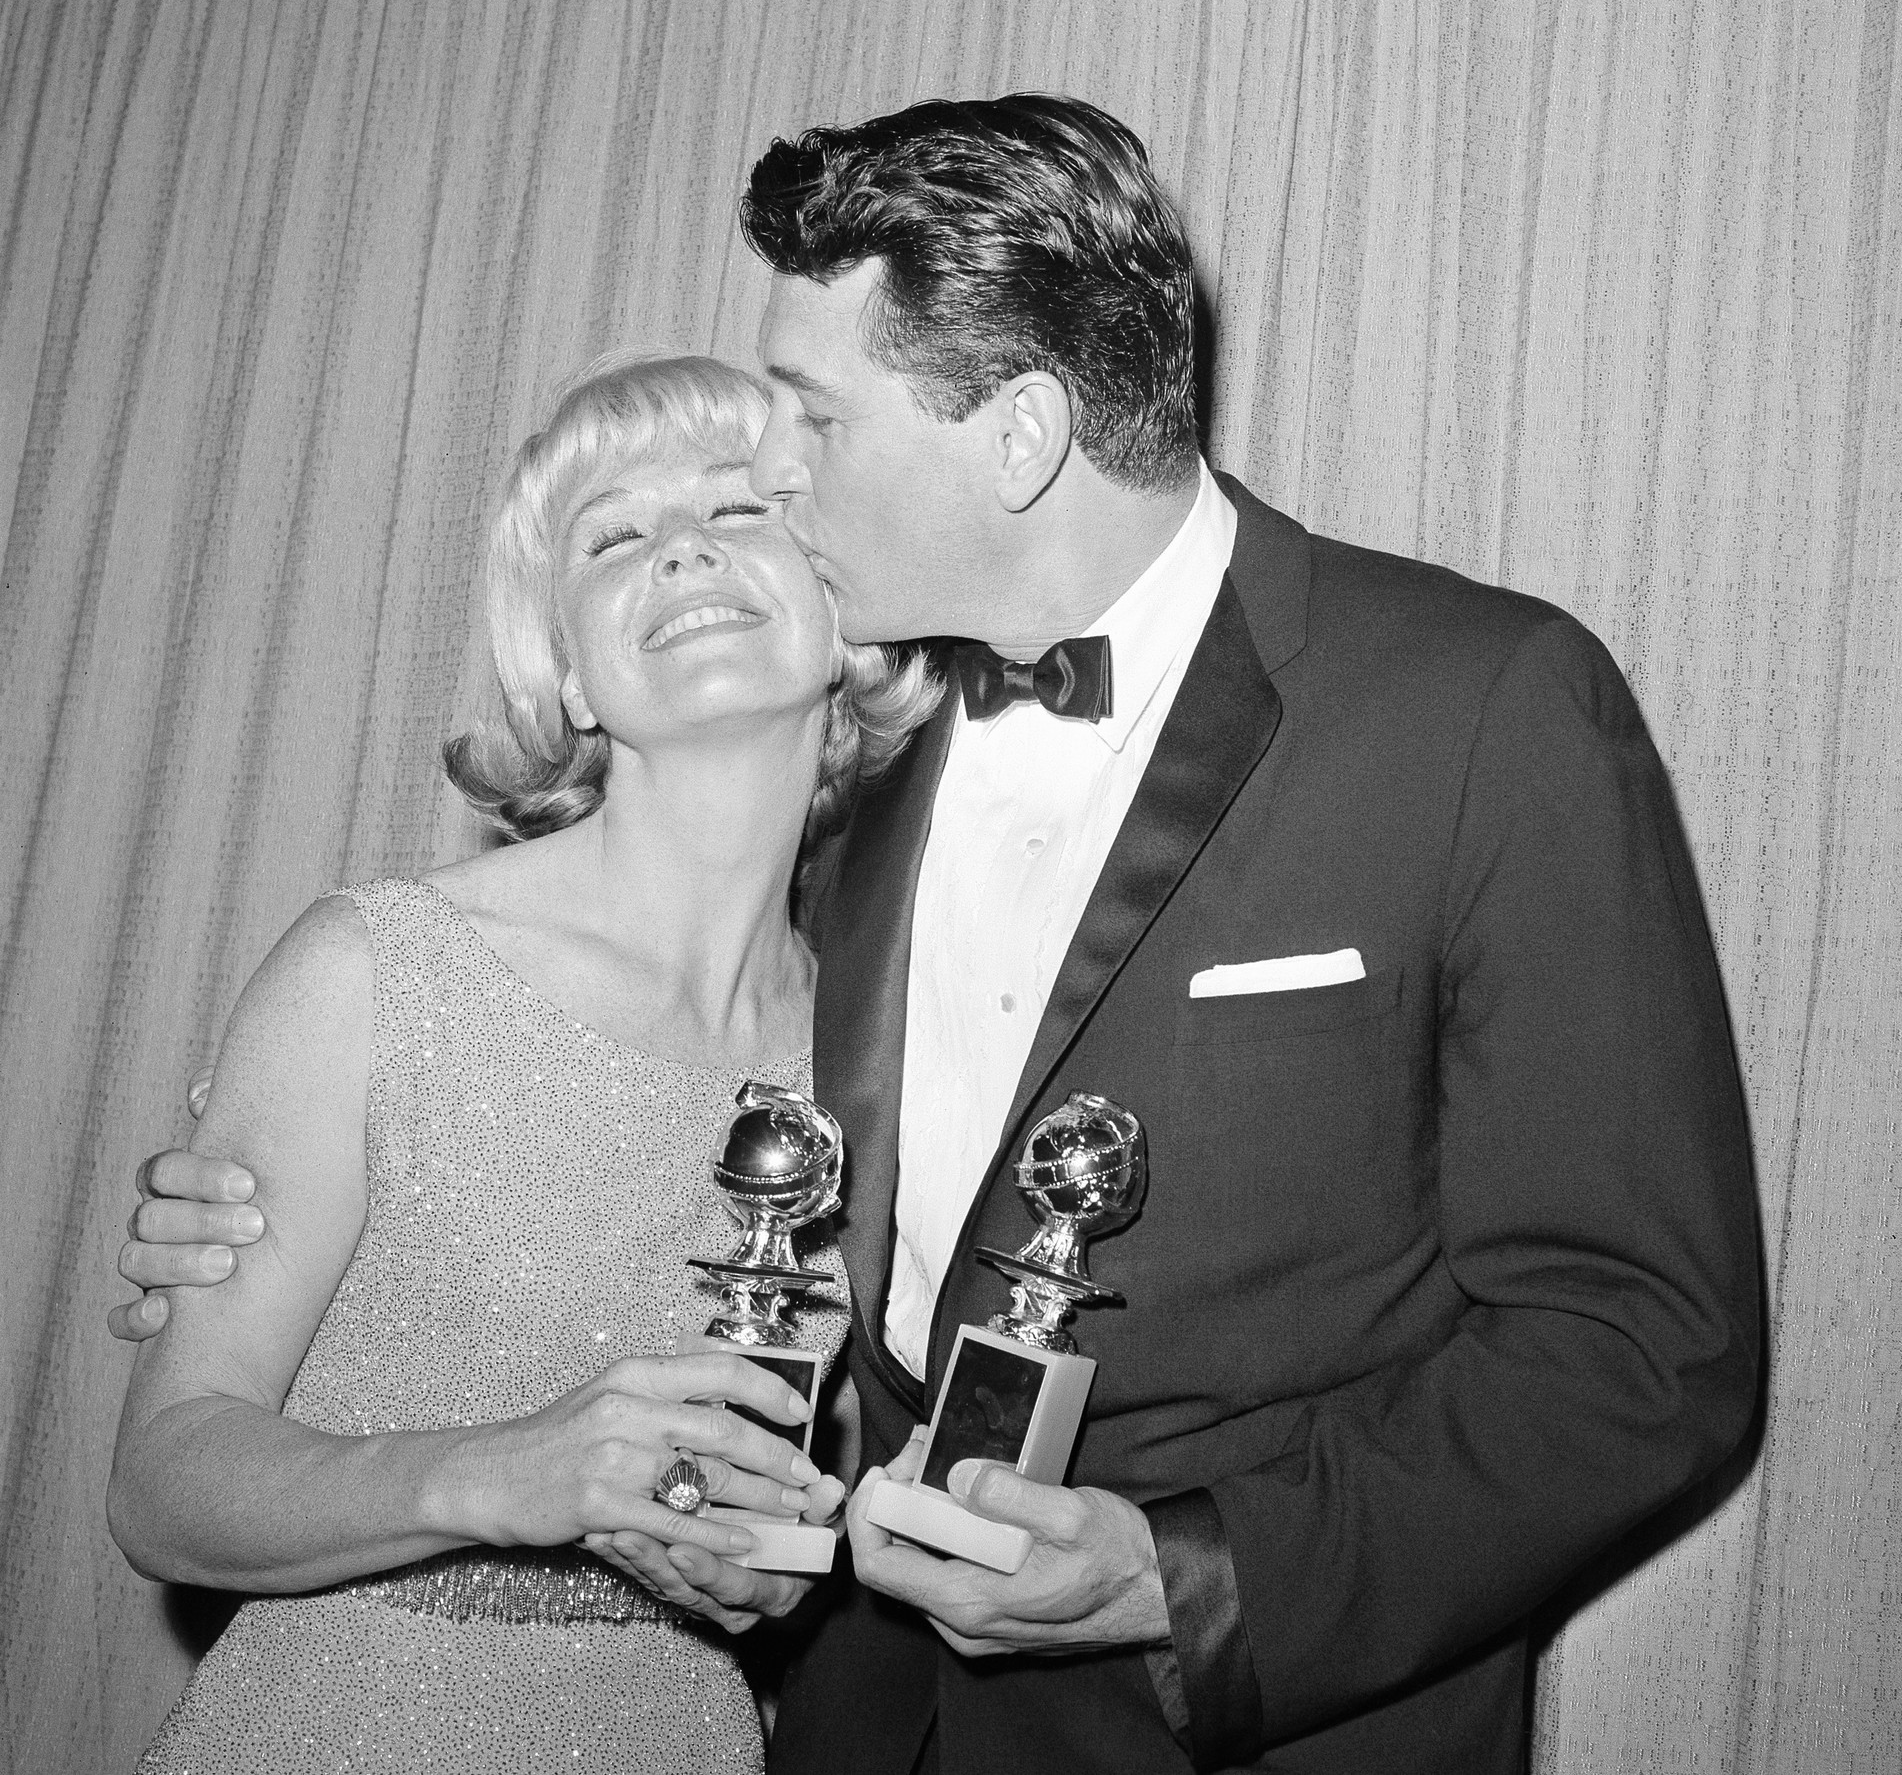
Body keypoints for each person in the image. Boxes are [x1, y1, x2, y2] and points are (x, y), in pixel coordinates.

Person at [118, 97, 1762, 1773]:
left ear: (1020, 434)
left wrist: (1180, 1577)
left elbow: (1643, 1348)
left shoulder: (1478, 709)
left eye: (814, 424)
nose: (773, 474)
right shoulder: (859, 814)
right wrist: (262, 1196)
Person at [106, 354, 939, 1773]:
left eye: (739, 509)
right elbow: (162, 1485)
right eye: (614, 536)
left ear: (845, 607)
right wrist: (499, 1474)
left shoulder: (883, 1061)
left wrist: (773, 1571)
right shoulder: (377, 967)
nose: (682, 547)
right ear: (565, 668)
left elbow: (804, 1500)